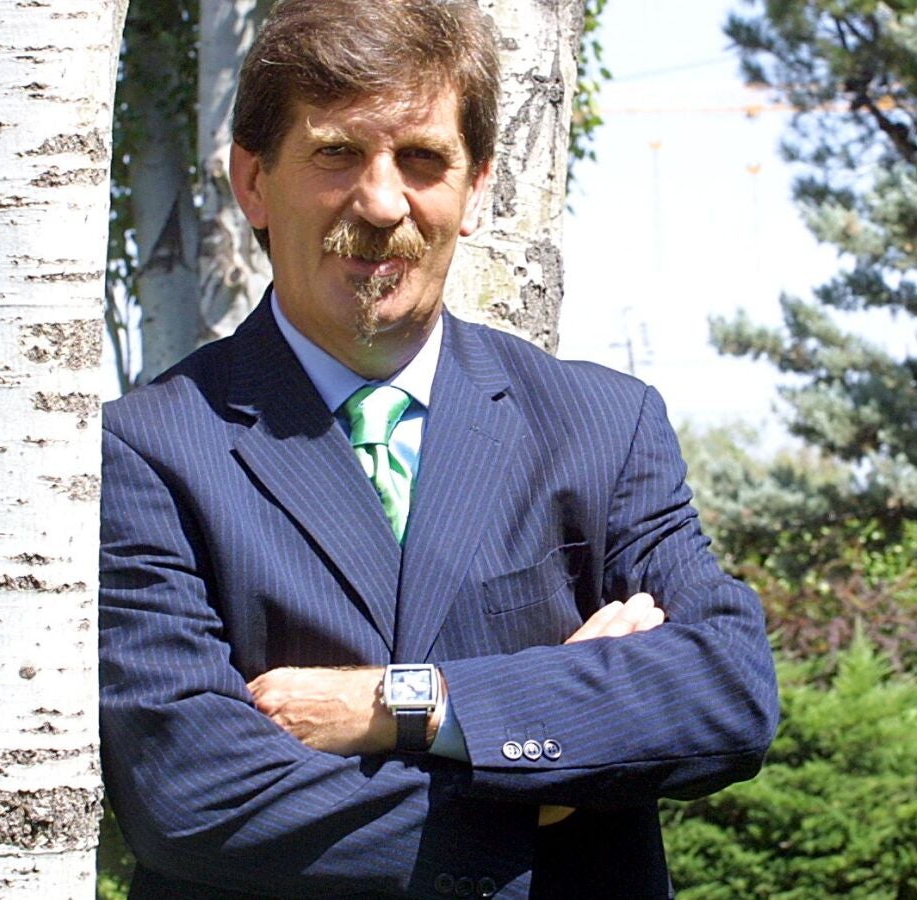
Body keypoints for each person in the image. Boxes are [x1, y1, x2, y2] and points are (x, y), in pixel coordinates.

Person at [97, 1, 778, 896]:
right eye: (337, 153)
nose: (382, 203)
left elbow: (725, 689)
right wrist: (548, 783)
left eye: (422, 159)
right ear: (253, 181)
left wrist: (403, 707)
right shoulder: (146, 451)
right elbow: (192, 792)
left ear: (478, 185)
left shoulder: (601, 426)